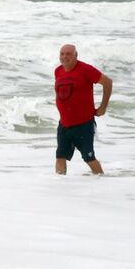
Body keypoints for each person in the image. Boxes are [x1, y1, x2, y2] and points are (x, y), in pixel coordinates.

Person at [53, 44, 113, 175]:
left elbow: (108, 82)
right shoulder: (58, 71)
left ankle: (102, 182)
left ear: (76, 55)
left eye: (68, 54)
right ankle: (59, 185)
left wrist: (103, 107)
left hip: (83, 124)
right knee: (60, 157)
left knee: (89, 158)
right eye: (62, 54)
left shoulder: (86, 69)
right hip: (64, 124)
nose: (64, 57)